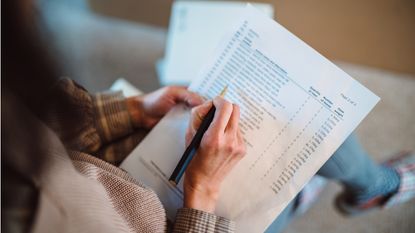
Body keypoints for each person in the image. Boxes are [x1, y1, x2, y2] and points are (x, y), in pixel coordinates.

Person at [3, 1, 414, 233]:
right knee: (308, 136)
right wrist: (202, 191)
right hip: (186, 220)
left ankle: (327, 189)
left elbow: (40, 123)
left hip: (117, 164)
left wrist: (131, 109)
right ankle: (377, 187)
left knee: (297, 116)